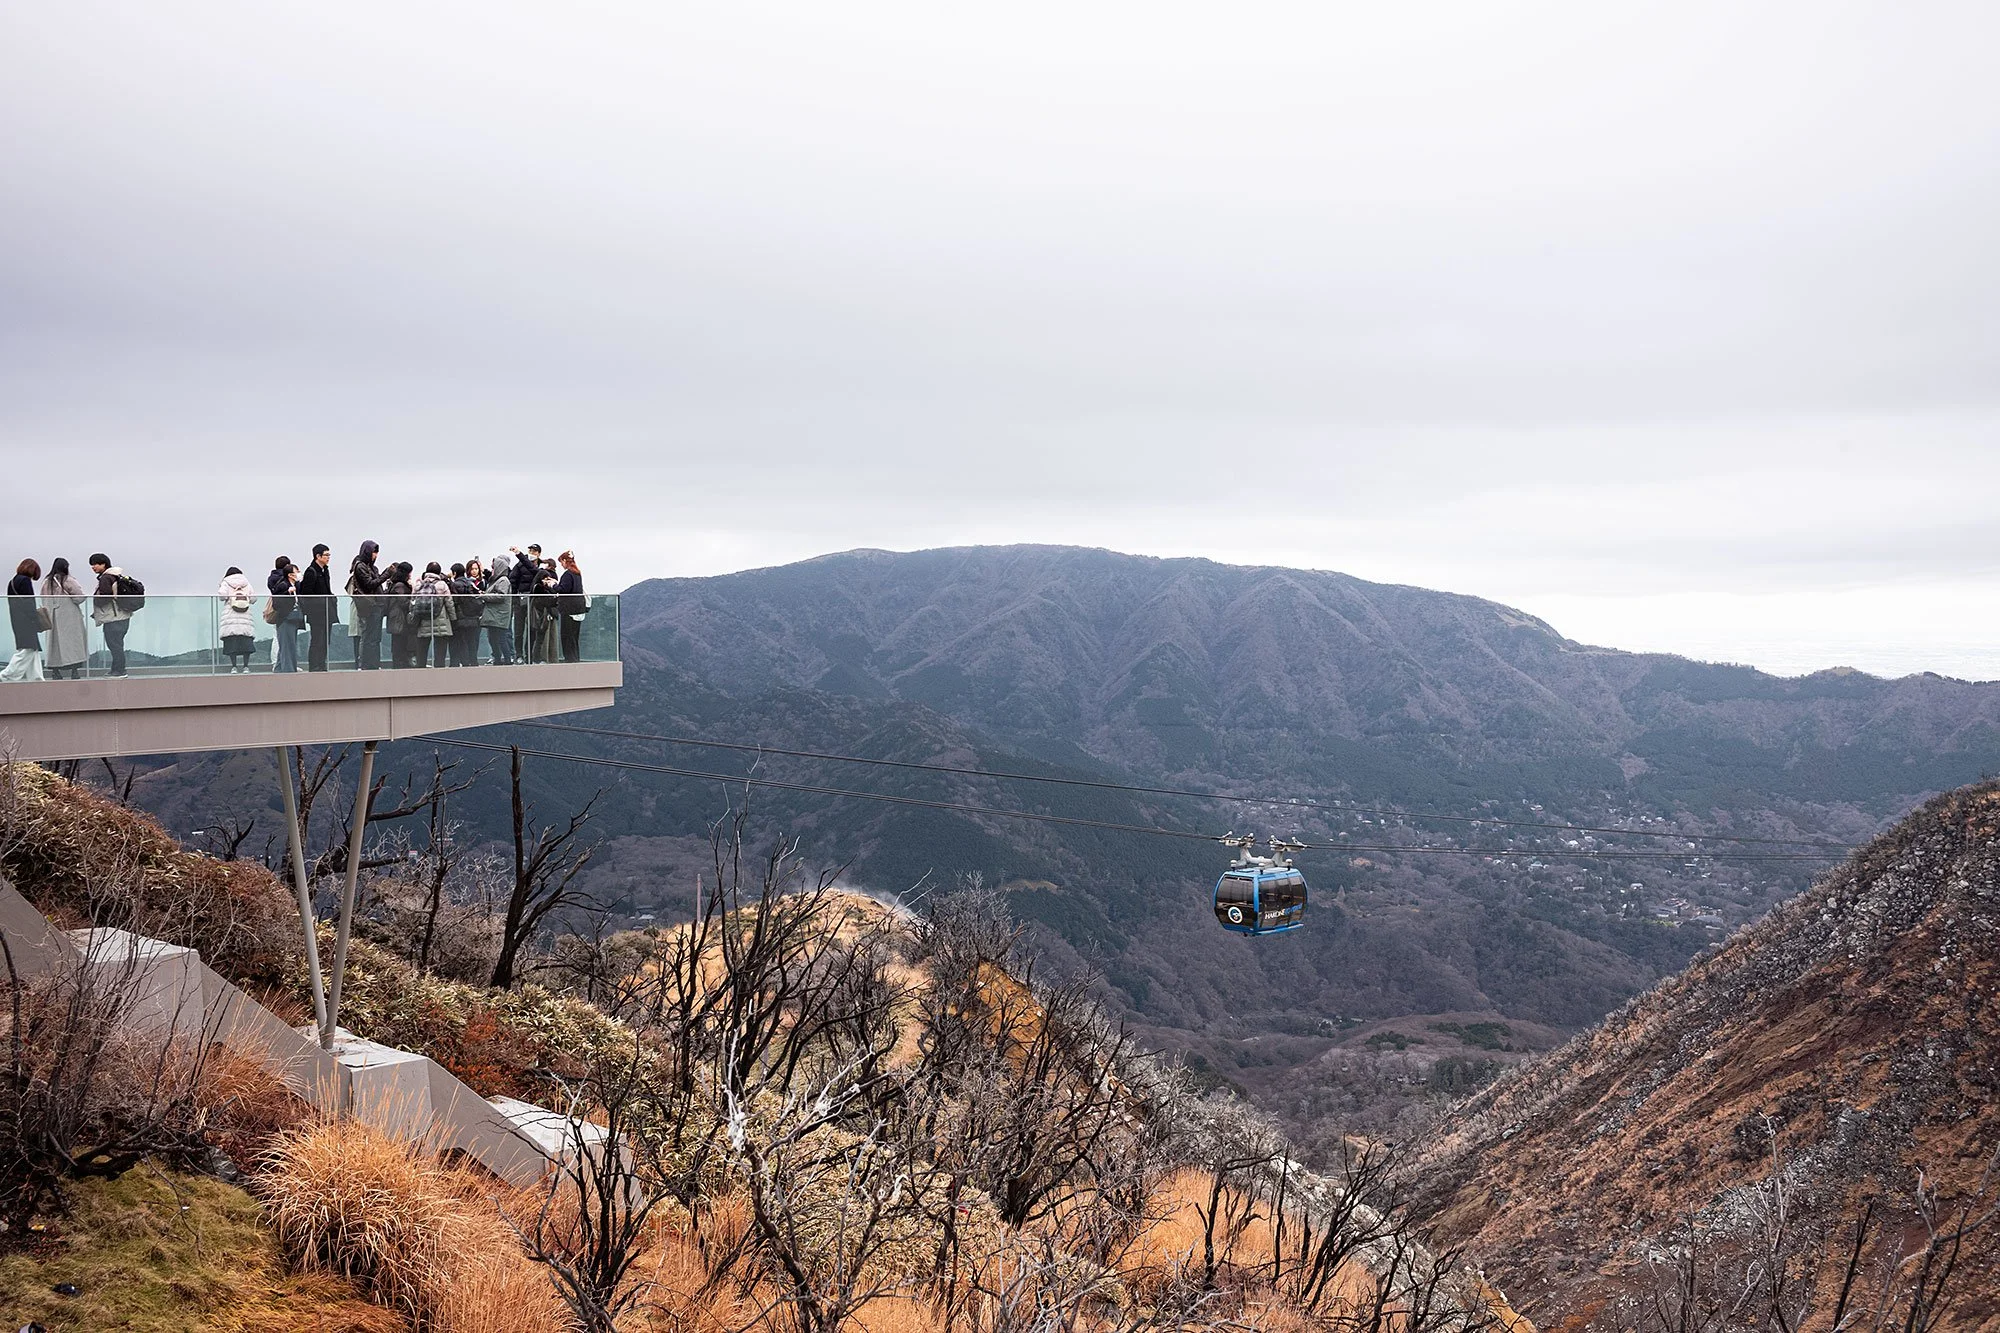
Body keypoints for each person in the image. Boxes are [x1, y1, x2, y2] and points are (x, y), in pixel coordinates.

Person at [39, 557, 89, 679]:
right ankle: (74, 671)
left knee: (54, 643)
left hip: (52, 616)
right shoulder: (68, 580)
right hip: (69, 616)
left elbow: (43, 598)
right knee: (73, 643)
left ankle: (55, 671)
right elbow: (80, 597)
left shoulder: (47, 582)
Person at [88, 554, 133, 676]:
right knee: (118, 644)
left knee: (114, 645)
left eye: (96, 564)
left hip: (113, 618)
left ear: (104, 564)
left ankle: (120, 671)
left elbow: (106, 596)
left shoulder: (106, 578)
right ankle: (116, 669)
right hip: (123, 616)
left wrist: (97, 602)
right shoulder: (116, 576)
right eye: (92, 564)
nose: (93, 567)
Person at [3, 559, 44, 682]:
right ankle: (6, 675)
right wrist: (35, 619)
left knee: (32, 648)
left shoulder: (12, 582)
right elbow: (29, 602)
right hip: (27, 620)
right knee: (28, 648)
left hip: (17, 619)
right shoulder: (25, 581)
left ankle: (37, 677)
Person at [347, 541, 384, 670]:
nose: (376, 555)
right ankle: (367, 665)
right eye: (374, 552)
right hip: (369, 606)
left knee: (375, 638)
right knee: (369, 637)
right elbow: (370, 584)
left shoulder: (371, 567)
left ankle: (373, 663)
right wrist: (386, 574)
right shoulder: (360, 566)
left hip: (376, 605)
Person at [299, 544, 335, 672]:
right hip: (317, 613)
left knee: (325, 641)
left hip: (326, 611)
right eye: (326, 555)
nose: (328, 557)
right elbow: (306, 594)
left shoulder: (325, 570)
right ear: (317, 556)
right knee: (317, 640)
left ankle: (322, 664)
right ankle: (315, 666)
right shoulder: (311, 571)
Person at [412, 561, 455, 668]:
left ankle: (420, 671)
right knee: (440, 652)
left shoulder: (419, 585)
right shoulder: (442, 585)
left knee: (422, 650)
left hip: (423, 621)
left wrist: (413, 618)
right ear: (439, 572)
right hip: (441, 622)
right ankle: (439, 674)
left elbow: (412, 602)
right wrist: (453, 618)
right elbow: (449, 603)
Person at [217, 567, 257, 673]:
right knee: (246, 641)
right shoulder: (246, 582)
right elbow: (253, 599)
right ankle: (246, 666)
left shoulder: (226, 582)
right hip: (245, 616)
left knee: (232, 642)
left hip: (230, 615)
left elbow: (222, 596)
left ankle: (234, 666)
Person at [267, 556, 303, 673]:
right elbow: (277, 600)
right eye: (296, 572)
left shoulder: (296, 585)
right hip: (285, 617)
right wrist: (287, 592)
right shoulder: (283, 585)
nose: (298, 573)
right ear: (290, 575)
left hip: (294, 617)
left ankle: (279, 668)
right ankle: (289, 671)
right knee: (287, 646)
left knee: (289, 644)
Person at [508, 544, 542, 658]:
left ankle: (529, 655)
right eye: (531, 550)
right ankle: (519, 655)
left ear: (539, 554)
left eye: (535, 551)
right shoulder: (519, 565)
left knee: (532, 629)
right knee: (519, 630)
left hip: (534, 602)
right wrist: (514, 598)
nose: (532, 553)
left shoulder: (541, 567)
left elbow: (535, 571)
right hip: (520, 600)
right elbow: (512, 581)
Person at [480, 554, 515, 665]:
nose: (492, 570)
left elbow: (501, 596)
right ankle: (498, 659)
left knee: (501, 639)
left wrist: (484, 596)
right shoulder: (497, 580)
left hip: (499, 615)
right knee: (493, 639)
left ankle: (507, 660)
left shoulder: (503, 580)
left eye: (493, 567)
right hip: (494, 615)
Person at [383, 561, 415, 668]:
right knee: (400, 646)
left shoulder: (394, 584)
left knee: (398, 645)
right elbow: (404, 602)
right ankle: (399, 666)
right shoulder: (400, 586)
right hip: (399, 620)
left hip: (395, 619)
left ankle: (398, 665)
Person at [449, 562, 482, 666]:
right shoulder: (471, 583)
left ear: (454, 573)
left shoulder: (455, 585)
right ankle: (474, 661)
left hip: (461, 617)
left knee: (462, 642)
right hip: (473, 617)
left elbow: (454, 601)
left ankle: (465, 663)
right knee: (472, 641)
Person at [556, 551, 586, 663]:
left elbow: (563, 590)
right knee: (574, 637)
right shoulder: (577, 573)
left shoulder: (568, 574)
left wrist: (553, 585)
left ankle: (570, 660)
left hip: (569, 610)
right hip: (578, 609)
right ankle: (575, 658)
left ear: (564, 561)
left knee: (567, 637)